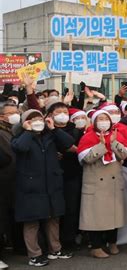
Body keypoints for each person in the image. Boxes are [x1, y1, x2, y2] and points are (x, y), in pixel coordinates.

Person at [12, 109, 75, 267]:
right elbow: (20, 148)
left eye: (39, 118)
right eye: (32, 119)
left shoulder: (50, 136)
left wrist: (54, 128)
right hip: (30, 185)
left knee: (53, 218)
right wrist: (27, 131)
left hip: (52, 183)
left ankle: (56, 249)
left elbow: (68, 142)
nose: (37, 121)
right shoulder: (20, 136)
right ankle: (34, 254)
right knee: (31, 221)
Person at [77, 110, 127, 258]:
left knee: (114, 215)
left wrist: (113, 142)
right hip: (96, 183)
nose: (103, 121)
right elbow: (86, 158)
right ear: (94, 122)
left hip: (113, 184)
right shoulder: (87, 137)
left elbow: (124, 155)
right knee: (96, 217)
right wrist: (101, 145)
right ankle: (96, 246)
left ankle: (112, 242)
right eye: (100, 119)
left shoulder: (116, 135)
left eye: (106, 118)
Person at [45, 99, 85, 250]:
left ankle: (69, 239)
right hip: (51, 175)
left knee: (71, 208)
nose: (62, 115)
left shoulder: (75, 130)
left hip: (72, 174)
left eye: (65, 112)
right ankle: (52, 241)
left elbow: (77, 148)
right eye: (58, 112)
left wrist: (68, 149)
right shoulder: (45, 129)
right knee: (53, 210)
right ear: (50, 115)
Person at [0, 101, 20, 270]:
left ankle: (17, 246)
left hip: (14, 180)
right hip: (3, 180)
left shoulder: (16, 131)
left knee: (12, 217)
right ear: (1, 116)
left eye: (16, 111)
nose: (15, 115)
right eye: (11, 112)